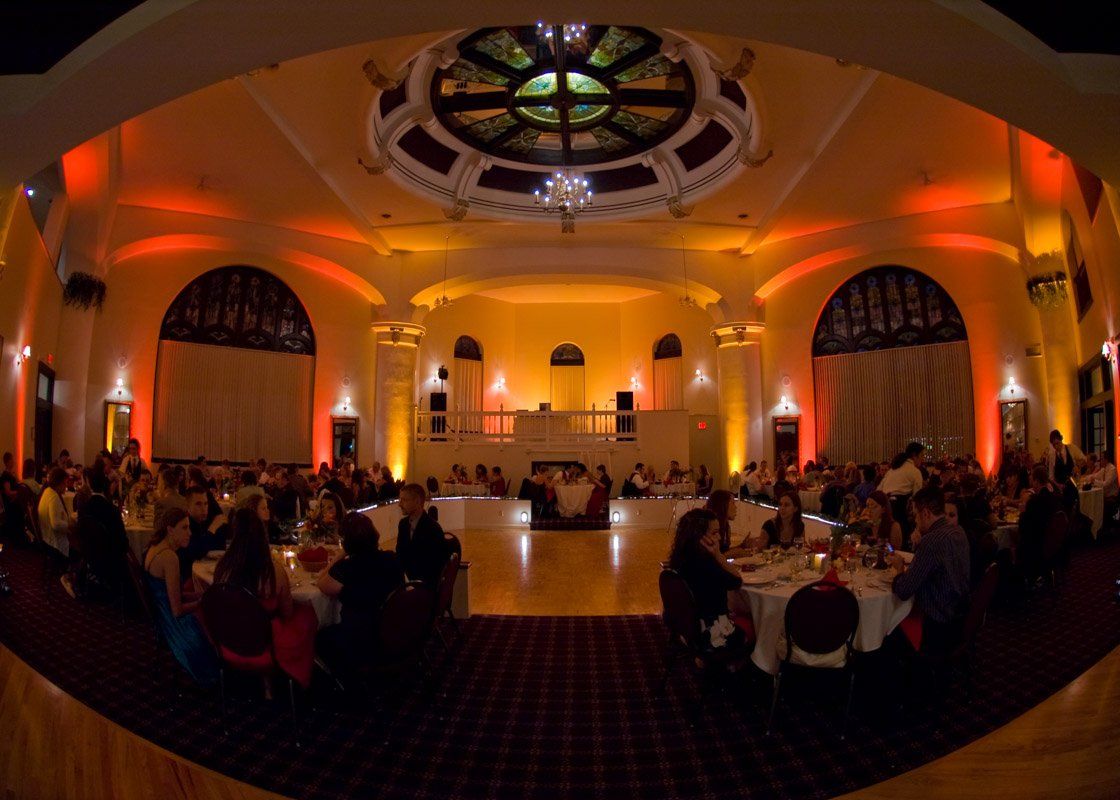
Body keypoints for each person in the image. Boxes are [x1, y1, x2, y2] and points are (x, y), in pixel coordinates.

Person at [213, 508, 317, 688]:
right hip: (264, 643)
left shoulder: (222, 569)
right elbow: (287, 612)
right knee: (308, 614)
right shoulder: (272, 571)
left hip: (230, 638)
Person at [316, 512, 405, 684]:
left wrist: (339, 556)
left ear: (347, 542)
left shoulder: (347, 568)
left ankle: (348, 680)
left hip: (362, 637)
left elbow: (322, 584)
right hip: (394, 629)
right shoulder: (391, 558)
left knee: (320, 637)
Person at [889, 485, 970, 657]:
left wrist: (898, 569)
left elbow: (903, 591)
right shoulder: (959, 531)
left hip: (936, 622)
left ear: (925, 513)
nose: (916, 521)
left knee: (886, 630)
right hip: (960, 612)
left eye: (916, 515)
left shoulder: (932, 541)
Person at [143, 507, 219, 685]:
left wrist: (198, 595)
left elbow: (168, 593)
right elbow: (176, 610)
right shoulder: (169, 557)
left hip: (161, 614)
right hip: (172, 624)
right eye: (184, 528)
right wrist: (202, 601)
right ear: (170, 529)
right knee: (214, 613)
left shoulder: (154, 546)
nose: (190, 533)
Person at [667, 508, 753, 649]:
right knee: (752, 623)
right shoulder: (706, 565)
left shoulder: (682, 559)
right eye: (714, 533)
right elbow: (737, 581)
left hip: (688, 627)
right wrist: (719, 555)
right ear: (699, 536)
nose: (719, 537)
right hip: (711, 631)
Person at [76, 468, 129, 595]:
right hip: (110, 558)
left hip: (89, 554)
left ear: (89, 485)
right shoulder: (112, 510)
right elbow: (123, 543)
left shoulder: (83, 508)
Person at [395, 483, 448, 589]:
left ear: (417, 501)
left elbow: (434, 567)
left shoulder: (433, 529)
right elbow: (400, 554)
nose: (399, 504)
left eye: (404, 500)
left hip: (425, 589)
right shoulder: (403, 524)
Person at [1017, 464, 1060, 583]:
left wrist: (1022, 513)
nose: (1030, 481)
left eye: (1031, 479)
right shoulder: (1053, 497)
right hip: (1052, 541)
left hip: (1038, 543)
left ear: (1036, 481)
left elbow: (1023, 527)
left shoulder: (1035, 501)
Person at [879, 442, 926, 544]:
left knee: (888, 543)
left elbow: (879, 490)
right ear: (914, 455)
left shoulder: (892, 470)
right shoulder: (915, 472)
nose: (923, 459)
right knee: (902, 542)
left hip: (884, 510)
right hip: (900, 512)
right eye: (922, 456)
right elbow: (917, 498)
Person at [179, 486, 228, 577]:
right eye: (198, 504)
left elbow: (220, 546)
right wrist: (212, 528)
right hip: (187, 576)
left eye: (206, 504)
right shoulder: (184, 525)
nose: (204, 508)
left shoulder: (203, 522)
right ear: (187, 506)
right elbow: (195, 551)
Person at [38, 467, 71, 557]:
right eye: (65, 483)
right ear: (59, 483)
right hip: (55, 545)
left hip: (47, 540)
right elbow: (55, 524)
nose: (66, 486)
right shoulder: (54, 498)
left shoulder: (47, 492)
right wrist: (70, 526)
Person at [1, 451, 24, 542]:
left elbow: (18, 483)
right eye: (12, 460)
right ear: (8, 462)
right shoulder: (6, 476)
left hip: (13, 500)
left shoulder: (10, 474)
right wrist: (18, 492)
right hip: (10, 503)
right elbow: (8, 492)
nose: (14, 462)